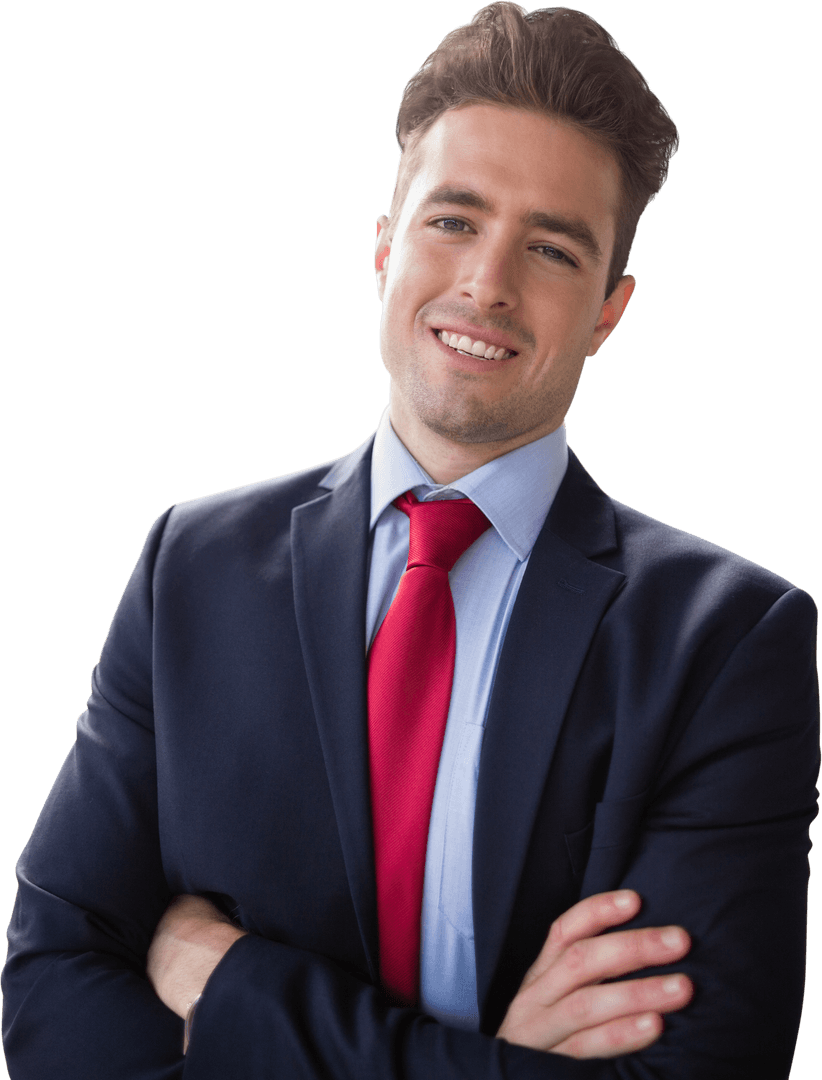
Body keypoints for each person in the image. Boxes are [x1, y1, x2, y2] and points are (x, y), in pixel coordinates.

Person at [2, 4, 819, 1077]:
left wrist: (229, 983)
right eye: (453, 220)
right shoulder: (190, 568)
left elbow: (697, 1071)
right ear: (385, 249)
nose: (487, 283)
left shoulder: (729, 643)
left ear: (609, 310)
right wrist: (493, 1060)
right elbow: (50, 1000)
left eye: (553, 247)